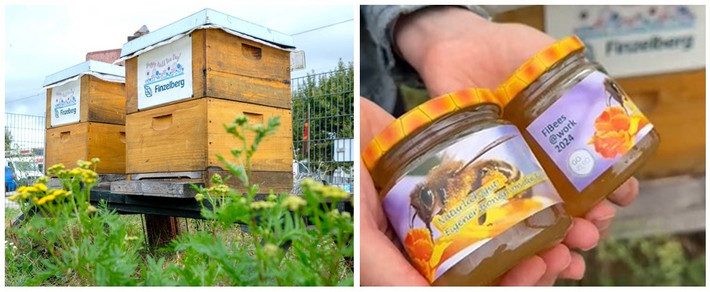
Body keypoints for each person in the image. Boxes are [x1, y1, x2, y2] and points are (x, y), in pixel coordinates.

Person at [360, 6, 640, 286]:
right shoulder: (418, 185)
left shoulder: (447, 175)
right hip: (375, 145)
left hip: (379, 122)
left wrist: (437, 26)